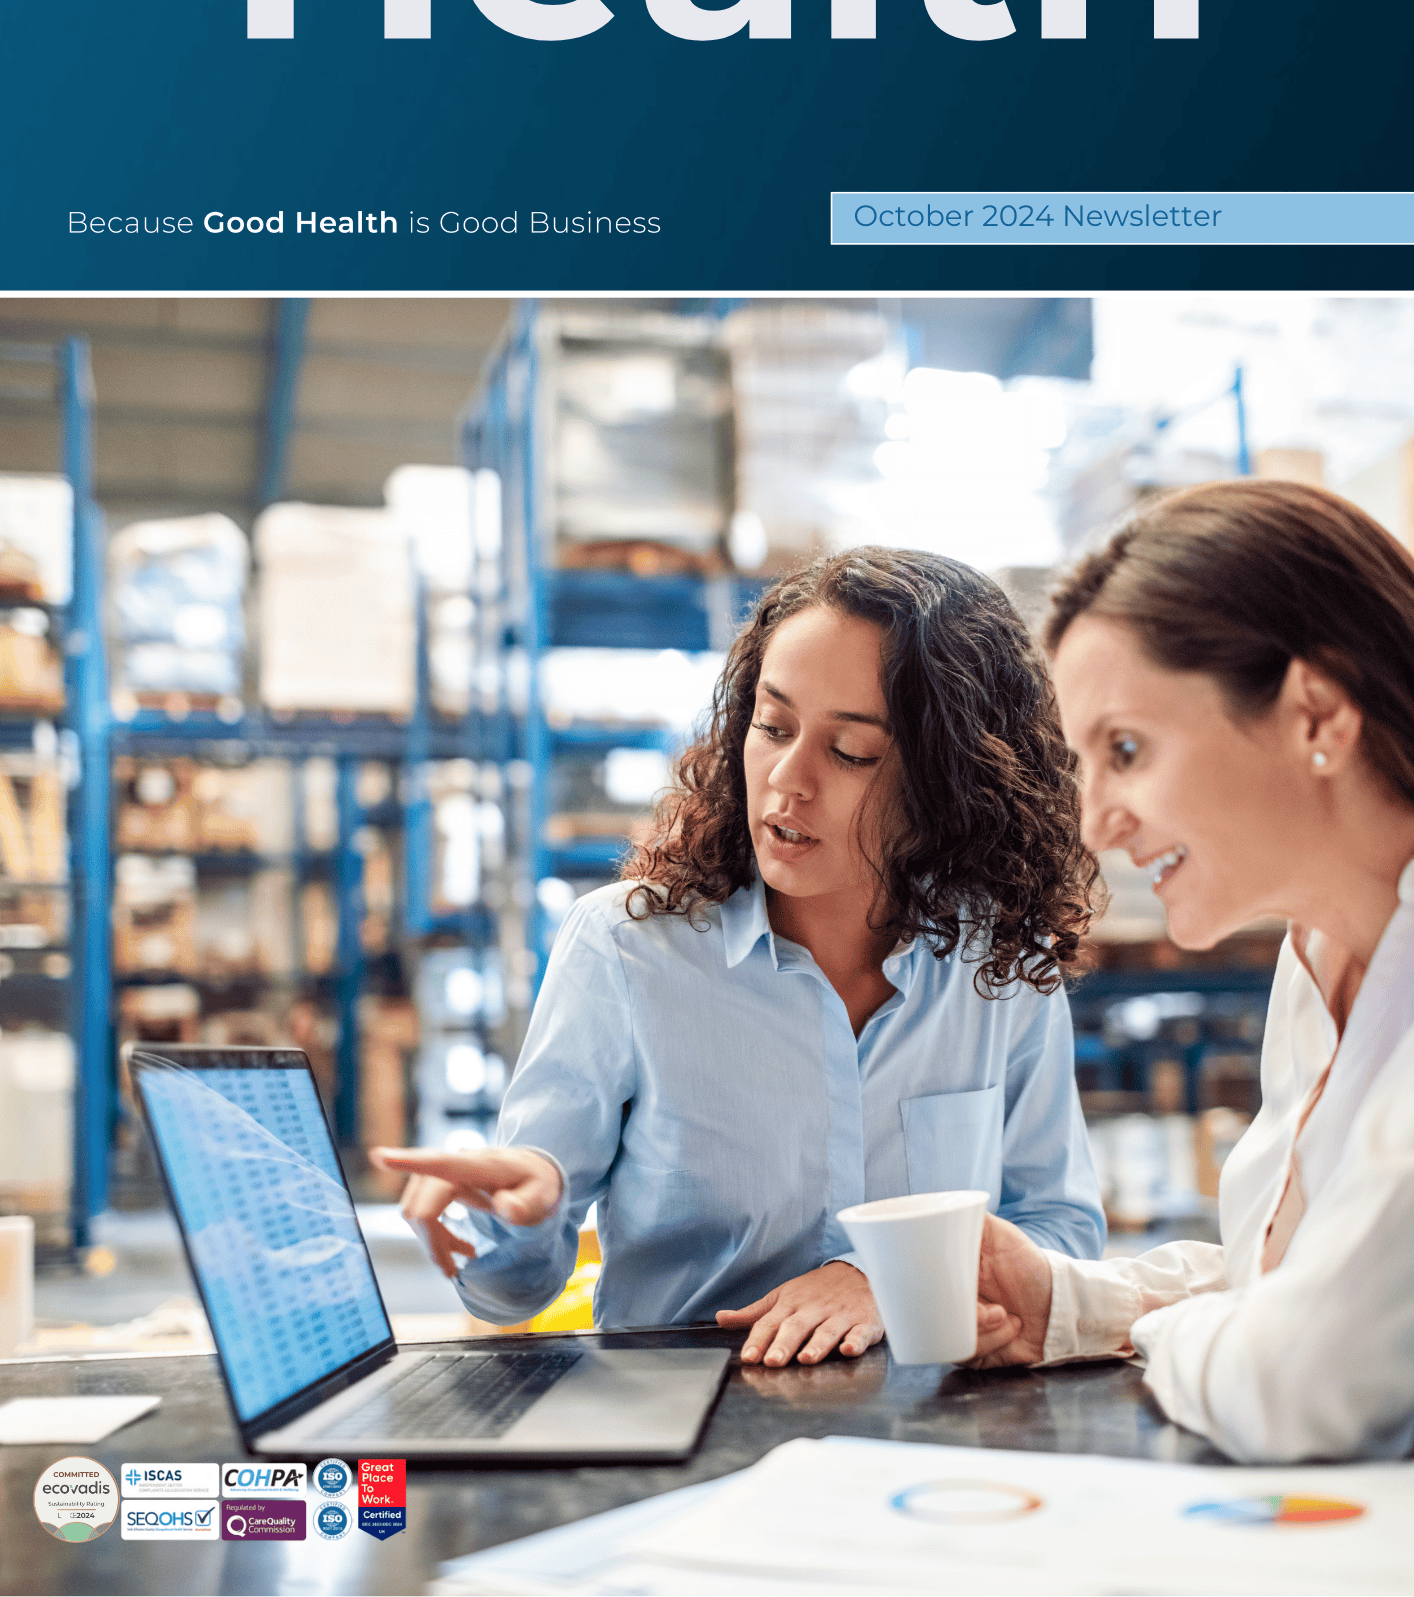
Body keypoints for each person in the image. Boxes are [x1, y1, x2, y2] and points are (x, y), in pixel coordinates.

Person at [376, 547, 1105, 1366]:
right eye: (774, 725)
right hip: (685, 1427)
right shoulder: (626, 949)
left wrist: (882, 1277)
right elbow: (509, 1294)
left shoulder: (999, 965)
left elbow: (1062, 1231)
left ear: (950, 781)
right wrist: (527, 1217)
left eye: (851, 752)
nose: (788, 781)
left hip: (928, 1430)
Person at [970, 479, 1414, 1462]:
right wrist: (1070, 1299)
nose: (1096, 821)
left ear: (1316, 712)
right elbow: (1311, 1279)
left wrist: (1167, 1332)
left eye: (1124, 748)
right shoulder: (1318, 954)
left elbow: (1298, 1374)